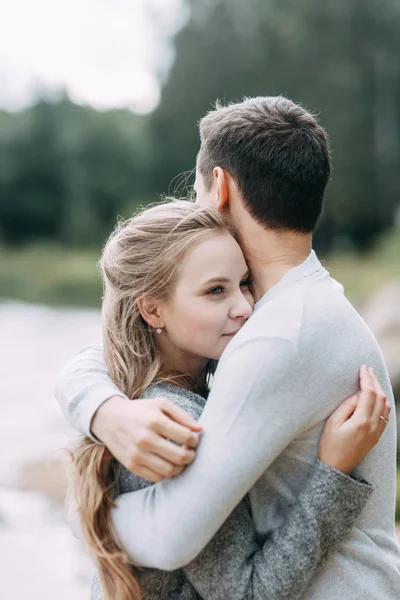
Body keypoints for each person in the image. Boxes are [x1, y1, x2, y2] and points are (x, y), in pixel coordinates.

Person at [56, 97, 400, 598]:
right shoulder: (285, 309)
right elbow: (112, 349)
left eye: (196, 190)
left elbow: (173, 537)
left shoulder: (278, 333)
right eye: (217, 290)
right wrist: (104, 409)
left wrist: (83, 514)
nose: (236, 303)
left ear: (219, 187)